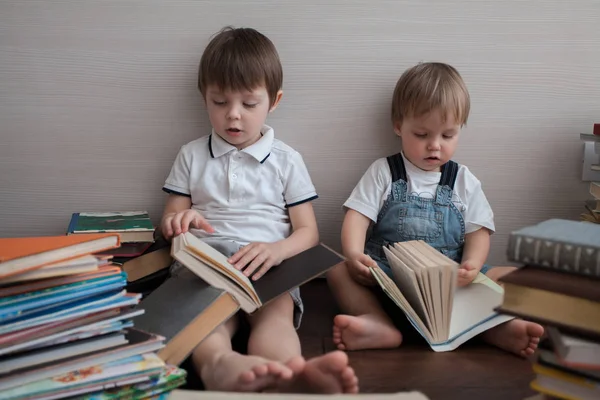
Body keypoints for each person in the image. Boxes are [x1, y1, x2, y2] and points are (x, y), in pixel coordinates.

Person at [160, 26, 358, 393]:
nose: (233, 116)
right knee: (208, 323)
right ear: (203, 97)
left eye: (249, 104)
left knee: (276, 318)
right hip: (208, 260)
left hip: (269, 262)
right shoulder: (190, 155)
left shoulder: (286, 160)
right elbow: (169, 220)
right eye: (219, 102)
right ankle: (221, 365)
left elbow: (308, 232)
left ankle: (289, 371)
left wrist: (276, 250)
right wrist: (179, 221)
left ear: (274, 101)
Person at [326, 62, 544, 357]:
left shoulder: (463, 180)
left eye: (448, 135)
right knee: (337, 270)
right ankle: (377, 322)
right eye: (422, 134)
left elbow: (478, 232)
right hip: (391, 281)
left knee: (515, 275)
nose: (434, 146)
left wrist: (473, 265)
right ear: (398, 125)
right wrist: (354, 256)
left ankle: (498, 330)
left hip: (452, 284)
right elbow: (357, 217)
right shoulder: (384, 172)